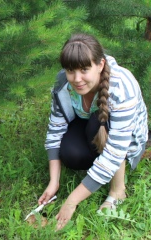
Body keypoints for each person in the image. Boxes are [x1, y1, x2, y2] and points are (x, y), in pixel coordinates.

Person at [38, 33, 148, 231]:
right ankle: (96, 171)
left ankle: (117, 190)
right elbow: (55, 130)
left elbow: (115, 151)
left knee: (98, 123)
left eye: (84, 70)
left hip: (122, 141)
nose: (77, 79)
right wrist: (54, 182)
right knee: (70, 153)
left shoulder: (122, 87)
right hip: (90, 127)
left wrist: (71, 201)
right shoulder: (62, 82)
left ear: (100, 65)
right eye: (70, 70)